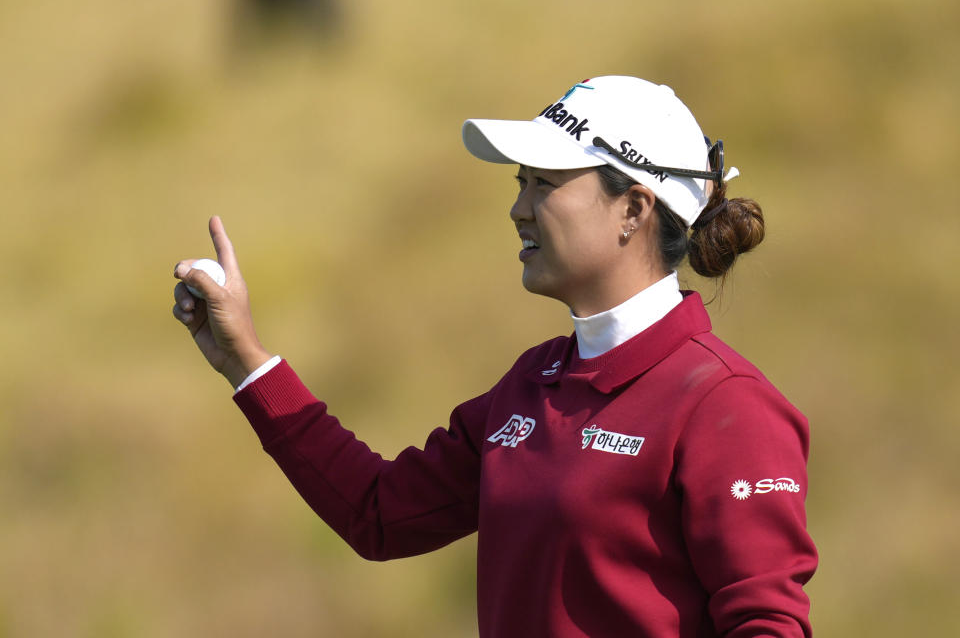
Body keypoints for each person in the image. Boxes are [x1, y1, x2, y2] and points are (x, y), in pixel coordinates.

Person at [172, 75, 817, 637]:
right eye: (520, 182)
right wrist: (245, 362)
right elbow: (378, 514)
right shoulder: (532, 384)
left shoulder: (725, 403)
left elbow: (766, 626)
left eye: (544, 184)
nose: (518, 208)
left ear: (633, 208)